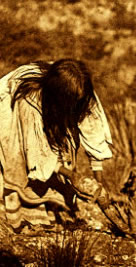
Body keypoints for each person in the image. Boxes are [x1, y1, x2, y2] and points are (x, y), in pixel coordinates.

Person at [0, 59, 112, 229]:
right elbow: (36, 152)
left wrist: (99, 183)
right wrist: (71, 175)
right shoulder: (29, 97)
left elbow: (92, 129)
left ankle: (48, 199)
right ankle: (20, 212)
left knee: (62, 147)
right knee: (16, 159)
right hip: (8, 108)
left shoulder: (81, 89)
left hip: (49, 106)